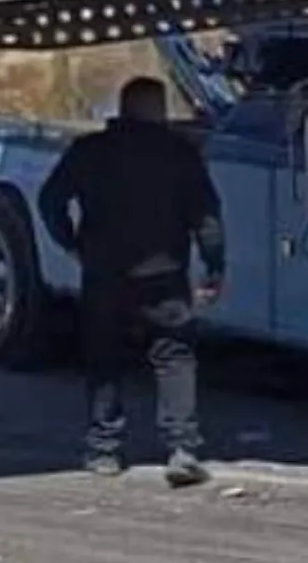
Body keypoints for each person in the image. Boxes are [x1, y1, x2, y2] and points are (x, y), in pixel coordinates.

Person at [38, 76, 226, 487]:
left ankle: (104, 449)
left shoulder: (90, 150)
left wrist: (70, 242)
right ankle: (181, 449)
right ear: (159, 109)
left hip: (104, 272)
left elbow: (50, 199)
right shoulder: (181, 155)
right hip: (166, 274)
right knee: (174, 357)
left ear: (122, 109)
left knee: (104, 359)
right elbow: (207, 217)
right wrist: (214, 266)